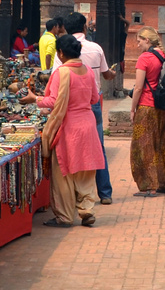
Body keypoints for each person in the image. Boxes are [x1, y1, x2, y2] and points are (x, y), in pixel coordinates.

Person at [20, 34, 104, 227]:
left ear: (61, 53)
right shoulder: (89, 71)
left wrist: (35, 98)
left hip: (69, 127)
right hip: (88, 125)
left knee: (64, 172)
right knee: (85, 171)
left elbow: (53, 101)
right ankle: (87, 210)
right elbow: (94, 99)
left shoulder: (62, 73)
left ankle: (65, 216)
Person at [64, 12, 113, 204]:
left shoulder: (64, 50)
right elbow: (106, 74)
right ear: (85, 28)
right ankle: (105, 193)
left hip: (71, 105)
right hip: (93, 103)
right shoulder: (95, 48)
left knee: (71, 148)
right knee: (98, 146)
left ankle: (75, 195)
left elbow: (56, 78)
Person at [127, 28, 165, 196]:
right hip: (162, 107)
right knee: (162, 143)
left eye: (140, 40)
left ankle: (149, 185)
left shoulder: (145, 58)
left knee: (143, 146)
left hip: (147, 107)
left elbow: (139, 87)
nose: (138, 44)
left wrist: (133, 108)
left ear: (147, 41)